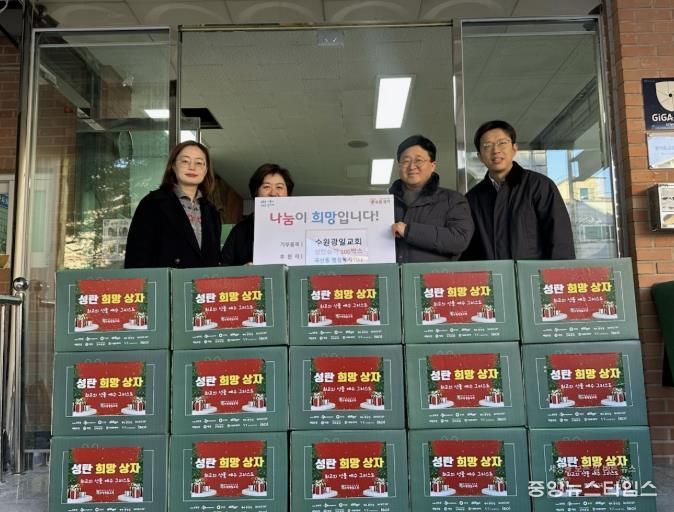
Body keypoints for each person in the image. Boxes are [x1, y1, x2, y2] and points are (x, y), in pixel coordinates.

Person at [463, 120, 575, 260]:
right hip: (493, 274)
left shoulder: (539, 186)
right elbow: (469, 250)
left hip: (532, 273)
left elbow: (560, 241)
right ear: (480, 156)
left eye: (502, 143)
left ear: (514, 148)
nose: (495, 150)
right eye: (487, 145)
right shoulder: (472, 199)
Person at [124, 141, 222, 268]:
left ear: (206, 170)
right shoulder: (152, 204)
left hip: (202, 280)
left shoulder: (212, 211)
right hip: (165, 280)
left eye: (199, 163)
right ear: (173, 166)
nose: (192, 167)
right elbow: (136, 257)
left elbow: (215, 258)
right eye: (185, 161)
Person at [389, 134, 474, 262]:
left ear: (433, 166)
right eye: (405, 161)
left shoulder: (453, 200)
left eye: (418, 160)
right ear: (399, 166)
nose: (411, 166)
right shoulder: (384, 203)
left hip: (434, 275)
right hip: (389, 274)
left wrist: (409, 231)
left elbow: (459, 240)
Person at [221, 163, 294, 265]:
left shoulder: (298, 227)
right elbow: (224, 267)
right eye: (266, 187)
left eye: (279, 187)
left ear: (287, 193)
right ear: (256, 192)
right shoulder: (240, 230)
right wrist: (242, 270)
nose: (273, 193)